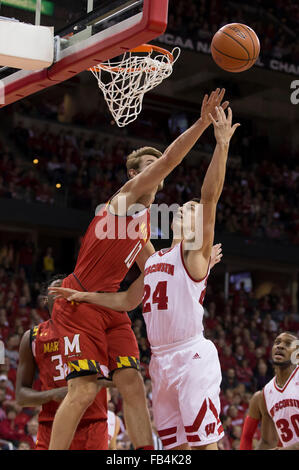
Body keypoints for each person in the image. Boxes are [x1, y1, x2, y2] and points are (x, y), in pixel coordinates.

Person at [48, 88, 229, 450]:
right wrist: (201, 124)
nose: (159, 167)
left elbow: (160, 273)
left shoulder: (146, 227)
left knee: (131, 384)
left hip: (121, 313)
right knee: (83, 390)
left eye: (157, 166)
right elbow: (170, 162)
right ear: (134, 173)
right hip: (81, 303)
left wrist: (201, 263)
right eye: (150, 164)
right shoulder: (123, 200)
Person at [15, 276, 109, 450]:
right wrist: (53, 394)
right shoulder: (33, 338)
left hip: (91, 424)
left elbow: (116, 378)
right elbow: (21, 396)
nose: (62, 292)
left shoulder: (96, 330)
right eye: (56, 289)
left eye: (67, 289)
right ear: (45, 300)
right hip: (50, 426)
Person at [256, 331, 299, 450]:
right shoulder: (266, 392)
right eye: (277, 342)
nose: (280, 346)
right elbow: (267, 442)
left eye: (288, 343)